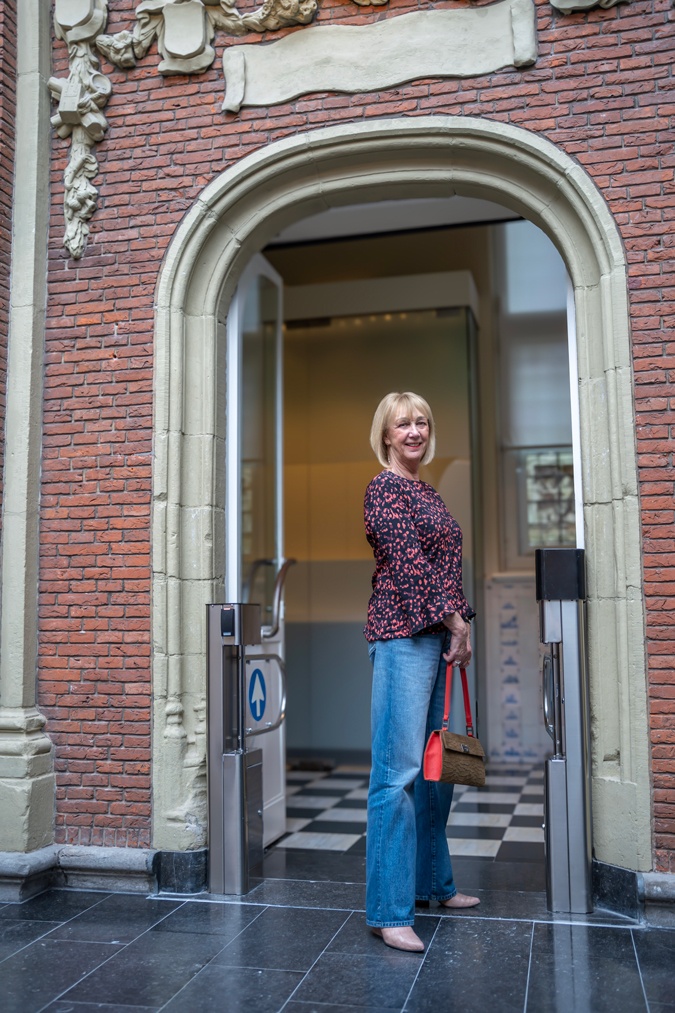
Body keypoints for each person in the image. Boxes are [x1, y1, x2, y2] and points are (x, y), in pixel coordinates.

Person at [364, 391, 479, 953]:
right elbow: (409, 563)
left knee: (437, 773)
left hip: (437, 639)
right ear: (386, 435)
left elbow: (445, 567)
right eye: (403, 423)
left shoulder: (425, 492)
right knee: (397, 775)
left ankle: (435, 884)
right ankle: (389, 911)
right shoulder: (383, 489)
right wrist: (454, 623)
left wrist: (462, 626)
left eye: (422, 422)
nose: (415, 431)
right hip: (401, 639)